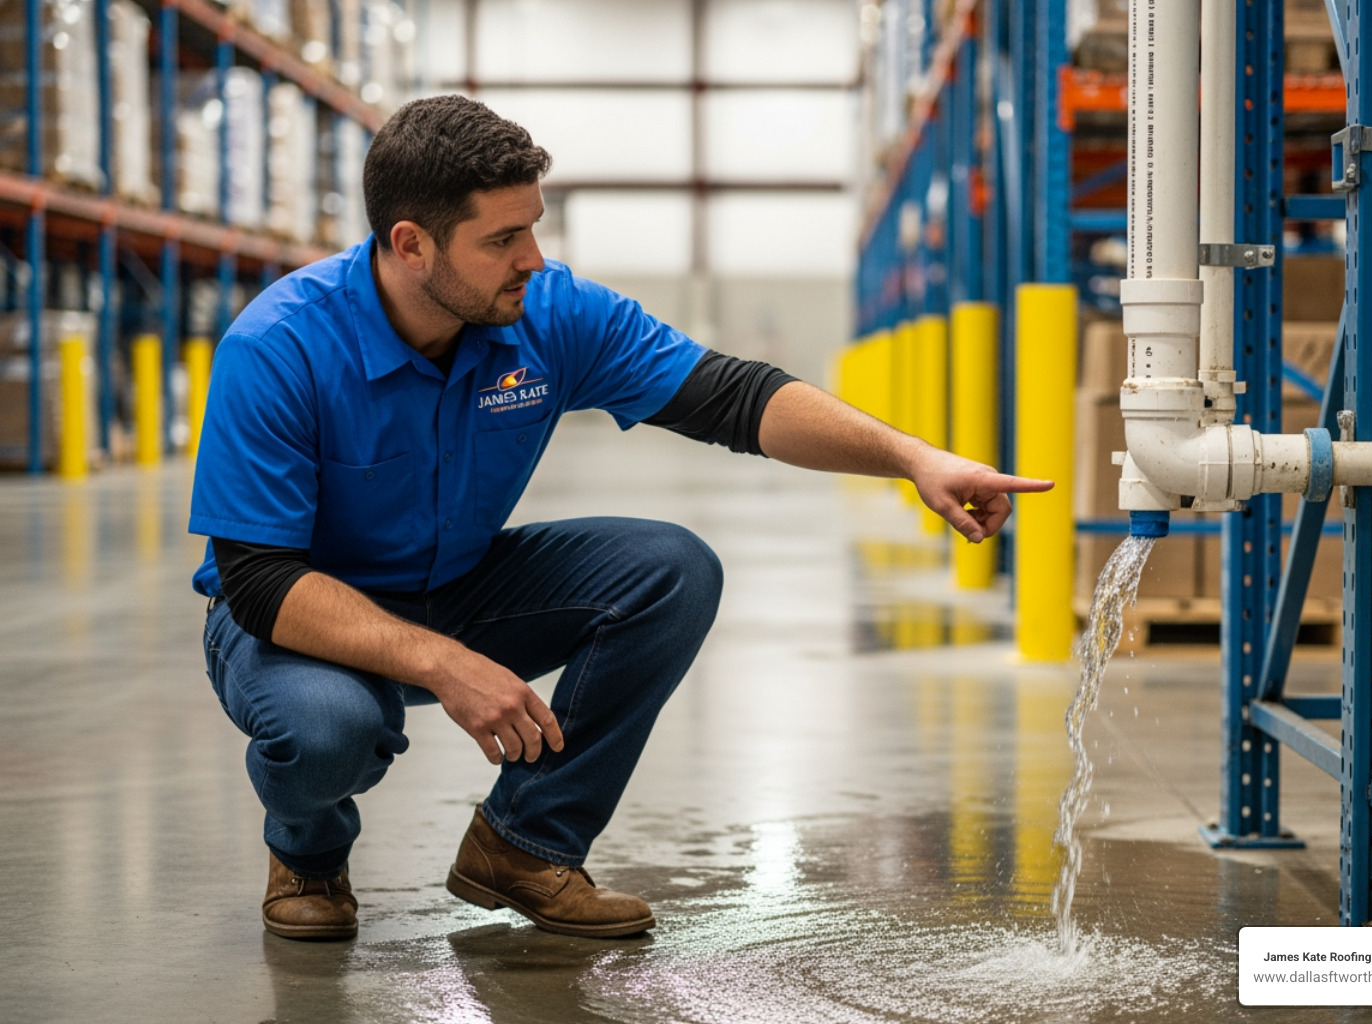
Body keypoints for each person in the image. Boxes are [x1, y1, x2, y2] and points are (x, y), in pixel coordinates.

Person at [190, 94, 1052, 942]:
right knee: (330, 727)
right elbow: (261, 581)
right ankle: (308, 855)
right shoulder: (280, 346)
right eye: (501, 239)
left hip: (455, 584)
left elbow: (733, 396)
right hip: (295, 618)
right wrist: (445, 664)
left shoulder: (548, 312)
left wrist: (914, 459)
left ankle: (523, 846)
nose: (532, 257)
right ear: (410, 245)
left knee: (669, 569)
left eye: (534, 227)